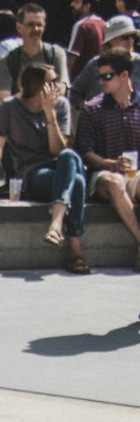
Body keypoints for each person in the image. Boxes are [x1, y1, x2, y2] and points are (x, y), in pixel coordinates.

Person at [0, 65, 89, 273]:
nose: (58, 86)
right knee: (78, 182)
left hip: (60, 165)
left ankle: (56, 224)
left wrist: (50, 114)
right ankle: (75, 252)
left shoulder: (61, 105)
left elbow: (58, 150)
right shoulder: (9, 108)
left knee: (69, 156)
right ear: (36, 86)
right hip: (31, 173)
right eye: (52, 82)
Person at [74, 49, 140, 269]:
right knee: (114, 182)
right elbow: (87, 154)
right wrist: (111, 163)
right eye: (99, 76)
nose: (101, 81)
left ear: (124, 76)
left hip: (134, 174)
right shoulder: (92, 109)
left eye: (107, 76)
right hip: (102, 175)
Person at [0, 5, 70, 99]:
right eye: (30, 25)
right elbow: (4, 97)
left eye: (39, 25)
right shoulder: (7, 60)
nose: (35, 29)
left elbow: (62, 87)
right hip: (18, 112)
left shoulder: (56, 54)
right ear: (18, 27)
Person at [70, 15, 140, 110]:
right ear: (110, 41)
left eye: (133, 36)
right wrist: (86, 108)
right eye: (125, 36)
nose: (130, 40)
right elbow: (75, 92)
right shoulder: (95, 64)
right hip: (100, 122)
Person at [67, 0, 105, 80]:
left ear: (87, 6)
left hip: (80, 82)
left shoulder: (81, 25)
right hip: (99, 80)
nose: (72, 4)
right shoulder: (103, 24)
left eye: (76, 2)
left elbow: (71, 59)